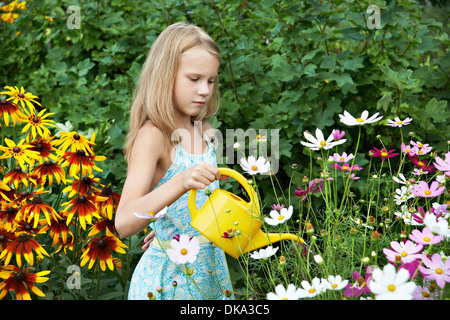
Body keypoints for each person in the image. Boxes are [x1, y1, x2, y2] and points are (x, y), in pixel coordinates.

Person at [115, 22, 234, 300]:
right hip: (169, 282)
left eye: (211, 80)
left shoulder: (204, 130)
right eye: (194, 79)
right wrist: (181, 181)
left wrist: (170, 230)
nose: (204, 90)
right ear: (164, 76)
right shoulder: (153, 135)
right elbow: (123, 222)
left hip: (210, 274)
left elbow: (195, 209)